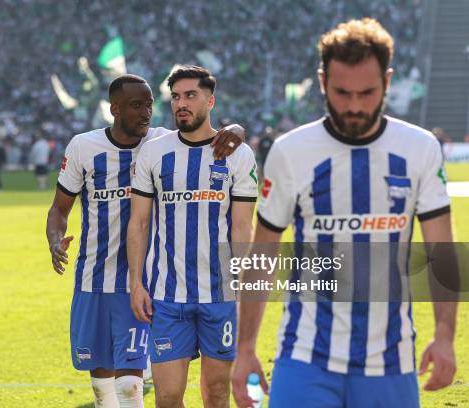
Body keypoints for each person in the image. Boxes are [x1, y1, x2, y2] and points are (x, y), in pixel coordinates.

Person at [232, 18, 457, 408]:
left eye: (367, 92)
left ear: (387, 81)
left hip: (391, 362)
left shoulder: (419, 149)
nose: (354, 106)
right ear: (322, 82)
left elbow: (443, 249)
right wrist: (246, 347)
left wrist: (445, 335)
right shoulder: (291, 151)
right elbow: (263, 253)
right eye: (341, 92)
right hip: (304, 359)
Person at [46, 73, 245, 408]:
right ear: (115, 109)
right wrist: (54, 239)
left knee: (129, 384)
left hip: (144, 282)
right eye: (136, 105)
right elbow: (59, 208)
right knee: (101, 382)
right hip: (93, 277)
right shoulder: (83, 147)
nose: (146, 112)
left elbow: (205, 132)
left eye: (150, 104)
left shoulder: (162, 141)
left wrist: (237, 130)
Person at [127, 66, 257, 408]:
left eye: (190, 96)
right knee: (168, 398)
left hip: (220, 295)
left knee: (216, 394)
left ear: (210, 101)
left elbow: (244, 227)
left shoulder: (238, 154)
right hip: (167, 296)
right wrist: (136, 284)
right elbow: (138, 223)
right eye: (176, 97)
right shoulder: (154, 152)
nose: (181, 103)